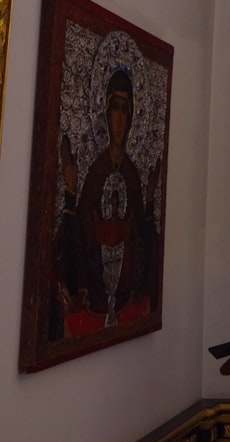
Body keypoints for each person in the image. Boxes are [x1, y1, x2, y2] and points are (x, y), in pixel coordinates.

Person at [55, 68, 160, 335]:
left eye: (125, 110)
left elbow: (143, 237)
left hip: (127, 304)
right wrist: (70, 189)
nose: (119, 120)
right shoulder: (96, 171)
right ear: (105, 112)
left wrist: (148, 201)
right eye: (115, 108)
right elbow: (77, 231)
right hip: (95, 304)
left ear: (133, 115)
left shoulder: (132, 174)